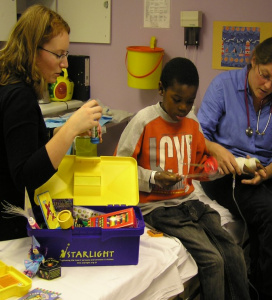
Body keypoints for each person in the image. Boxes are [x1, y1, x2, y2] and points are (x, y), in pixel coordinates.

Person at [115, 57, 251, 300]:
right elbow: (118, 170)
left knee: (233, 253)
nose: (182, 108)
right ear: (160, 89)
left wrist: (219, 168)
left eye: (189, 102)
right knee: (212, 261)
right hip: (157, 208)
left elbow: (199, 166)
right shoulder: (144, 121)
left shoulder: (192, 122)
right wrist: (154, 178)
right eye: (176, 100)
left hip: (189, 203)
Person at [197, 37, 272, 300]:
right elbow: (198, 136)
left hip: (263, 176)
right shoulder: (223, 86)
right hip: (223, 173)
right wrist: (217, 150)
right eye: (265, 76)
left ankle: (254, 289)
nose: (268, 86)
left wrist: (268, 172)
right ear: (253, 61)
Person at [0, 5, 102, 241]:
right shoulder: (19, 97)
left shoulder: (8, 81)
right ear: (33, 50)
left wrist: (62, 132)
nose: (65, 64)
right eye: (59, 54)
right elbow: (26, 176)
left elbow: (21, 141)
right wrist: (69, 129)